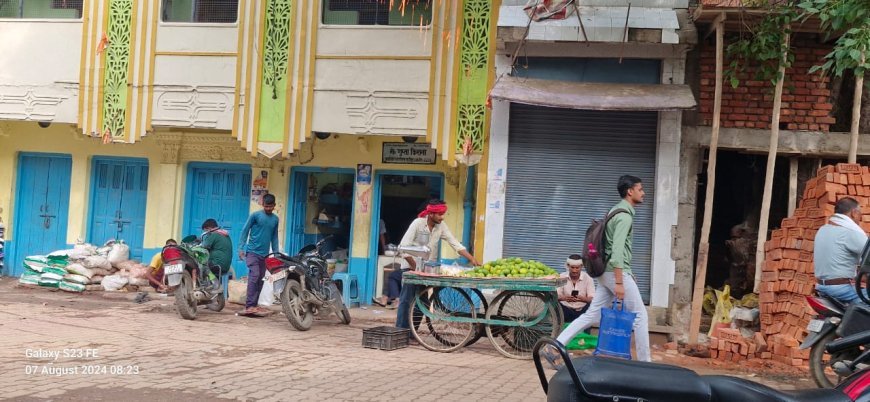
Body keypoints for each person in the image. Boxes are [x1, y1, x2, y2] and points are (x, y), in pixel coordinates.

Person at [545, 175, 651, 367]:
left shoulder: (615, 211)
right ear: (630, 191)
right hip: (614, 272)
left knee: (592, 315)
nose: (643, 193)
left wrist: (626, 272)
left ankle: (555, 346)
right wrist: (619, 281)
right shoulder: (624, 216)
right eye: (640, 189)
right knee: (640, 315)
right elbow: (617, 251)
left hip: (606, 272)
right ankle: (646, 364)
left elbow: (614, 248)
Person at [390, 200, 481, 329]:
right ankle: (400, 331)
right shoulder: (418, 224)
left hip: (425, 270)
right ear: (431, 214)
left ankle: (412, 332)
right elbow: (403, 247)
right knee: (406, 301)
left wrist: (472, 258)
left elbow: (455, 243)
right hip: (410, 268)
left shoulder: (441, 226)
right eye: (439, 214)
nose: (442, 217)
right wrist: (415, 267)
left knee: (422, 302)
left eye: (443, 214)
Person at [814, 197, 869, 304]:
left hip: (821, 286)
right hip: (840, 289)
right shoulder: (850, 232)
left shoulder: (823, 229)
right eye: (859, 215)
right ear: (854, 213)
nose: (859, 219)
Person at [238, 193, 280, 316]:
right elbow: (245, 231)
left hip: (265, 255)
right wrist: (241, 248)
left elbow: (275, 237)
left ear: (274, 206)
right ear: (262, 204)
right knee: (254, 276)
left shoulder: (275, 219)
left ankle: (254, 305)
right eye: (266, 206)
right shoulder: (255, 216)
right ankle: (249, 305)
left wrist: (276, 253)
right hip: (252, 252)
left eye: (271, 206)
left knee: (261, 279)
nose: (268, 208)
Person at [557, 255, 595, 322]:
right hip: (565, 309)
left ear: (581, 267)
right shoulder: (561, 277)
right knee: (556, 304)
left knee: (591, 306)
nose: (574, 270)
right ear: (568, 266)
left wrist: (584, 299)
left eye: (577, 268)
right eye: (572, 267)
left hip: (583, 310)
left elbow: (592, 298)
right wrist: (564, 298)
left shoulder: (588, 278)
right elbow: (557, 296)